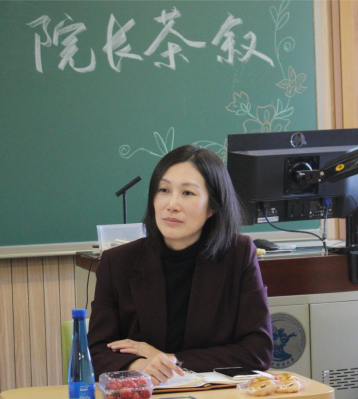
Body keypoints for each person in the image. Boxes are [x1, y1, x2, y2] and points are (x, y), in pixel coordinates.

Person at [88, 145, 273, 385]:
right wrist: (140, 366)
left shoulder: (238, 254)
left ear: (213, 207)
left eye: (187, 193)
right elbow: (96, 352)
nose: (172, 204)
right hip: (145, 397)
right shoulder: (118, 262)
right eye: (164, 190)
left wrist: (171, 360)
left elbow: (258, 351)